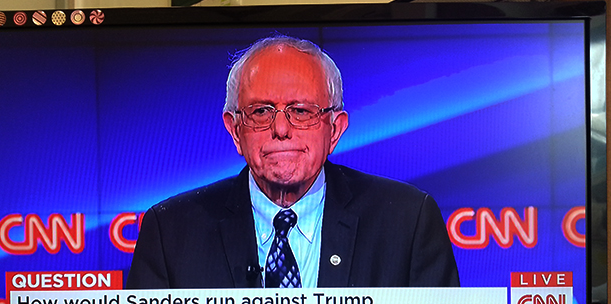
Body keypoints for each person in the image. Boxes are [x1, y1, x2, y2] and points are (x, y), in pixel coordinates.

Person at [126, 35, 459, 289]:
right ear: (235, 129)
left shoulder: (408, 221)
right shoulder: (171, 232)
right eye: (261, 111)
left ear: (335, 129)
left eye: (301, 111)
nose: (281, 129)